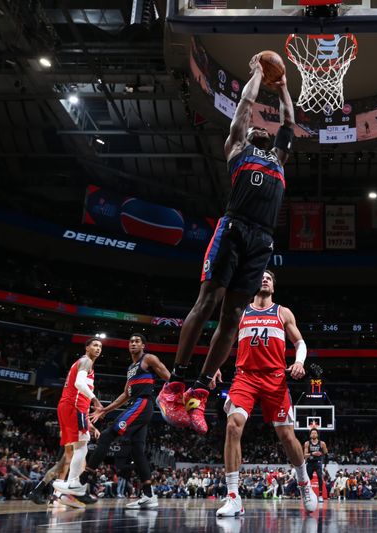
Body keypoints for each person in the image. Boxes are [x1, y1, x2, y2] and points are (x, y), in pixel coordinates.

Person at [159, 53, 295, 435]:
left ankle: (199, 392)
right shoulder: (238, 148)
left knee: (234, 317)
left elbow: (290, 121)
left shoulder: (279, 160)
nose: (262, 130)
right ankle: (175, 382)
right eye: (257, 128)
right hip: (233, 229)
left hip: (262, 241)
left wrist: (284, 88)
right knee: (207, 302)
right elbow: (246, 107)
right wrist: (254, 73)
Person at [216, 270, 318, 517]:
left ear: (273, 286)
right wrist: (215, 365)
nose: (264, 279)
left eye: (269, 278)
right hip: (245, 377)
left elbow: (300, 342)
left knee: (286, 436)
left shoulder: (283, 312)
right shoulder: (241, 311)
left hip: (275, 379)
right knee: (232, 427)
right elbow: (225, 340)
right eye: (261, 276)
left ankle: (304, 483)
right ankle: (233, 497)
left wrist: (300, 362)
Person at [71, 333, 173, 510]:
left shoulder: (148, 358)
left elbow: (169, 378)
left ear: (143, 346)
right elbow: (125, 395)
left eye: (137, 341)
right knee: (137, 451)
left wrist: (174, 399)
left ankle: (81, 481)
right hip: (137, 405)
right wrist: (105, 409)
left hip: (143, 403)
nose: (133, 343)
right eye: (131, 341)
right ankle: (149, 495)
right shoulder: (131, 368)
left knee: (106, 436)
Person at [32, 338, 103, 507]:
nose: (98, 348)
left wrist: (89, 423)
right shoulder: (86, 361)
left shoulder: (81, 363)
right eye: (94, 345)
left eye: (100, 346)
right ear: (86, 348)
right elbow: (79, 385)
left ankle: (45, 490)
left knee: (69, 456)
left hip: (70, 408)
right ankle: (73, 487)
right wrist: (95, 400)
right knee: (81, 448)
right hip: (73, 408)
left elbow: (79, 394)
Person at [303, 428, 328, 502]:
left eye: (315, 433)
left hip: (318, 462)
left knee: (320, 477)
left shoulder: (322, 443)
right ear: (310, 435)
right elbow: (305, 455)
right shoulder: (307, 443)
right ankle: (307, 494)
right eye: (312, 433)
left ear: (317, 435)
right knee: (308, 479)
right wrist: (312, 453)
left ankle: (320, 496)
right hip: (310, 463)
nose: (313, 434)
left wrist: (325, 465)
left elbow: (326, 454)